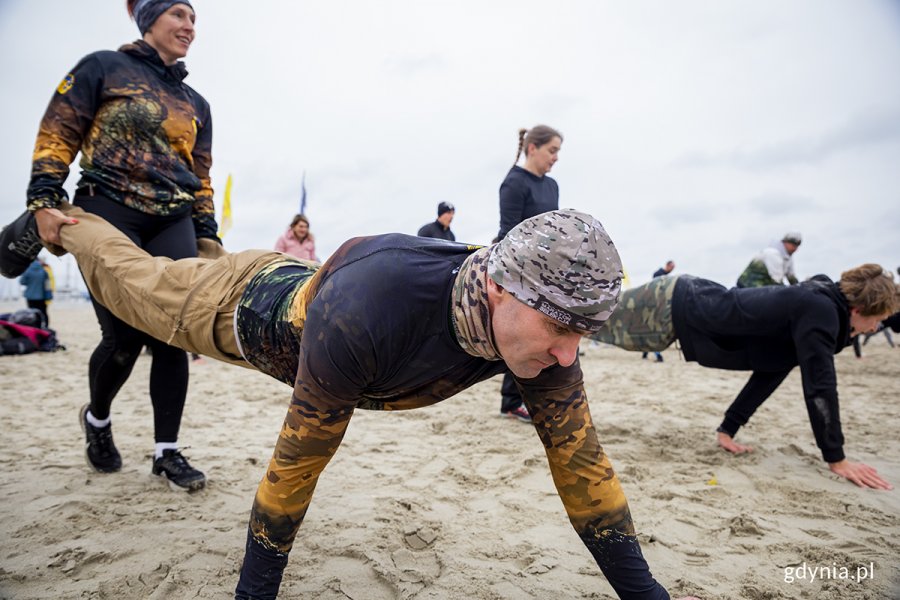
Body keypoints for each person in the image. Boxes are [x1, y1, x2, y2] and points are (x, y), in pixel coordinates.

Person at [0, 205, 700, 600]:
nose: (569, 355)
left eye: (584, 335)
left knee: (191, 258)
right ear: (496, 290)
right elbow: (293, 471)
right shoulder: (371, 313)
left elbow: (585, 471)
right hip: (235, 311)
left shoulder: (539, 327)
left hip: (311, 283)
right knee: (137, 282)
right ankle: (59, 224)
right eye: (561, 330)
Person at [21, 0, 218, 490]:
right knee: (124, 339)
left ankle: (166, 453)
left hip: (172, 219)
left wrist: (208, 232)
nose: (189, 26)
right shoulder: (104, 67)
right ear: (148, 18)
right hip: (108, 207)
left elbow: (201, 175)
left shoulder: (196, 103)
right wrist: (43, 199)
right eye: (178, 14)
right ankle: (98, 420)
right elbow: (58, 131)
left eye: (193, 18)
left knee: (175, 331)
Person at [591, 265, 898, 490]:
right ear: (857, 309)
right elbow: (821, 388)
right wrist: (837, 458)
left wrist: (728, 428)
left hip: (678, 311)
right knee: (583, 318)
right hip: (668, 306)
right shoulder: (821, 312)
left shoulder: (819, 306)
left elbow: (771, 371)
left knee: (582, 321)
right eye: (876, 321)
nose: (874, 329)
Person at [496, 125, 563, 422]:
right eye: (552, 150)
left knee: (549, 337)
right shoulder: (514, 182)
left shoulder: (552, 186)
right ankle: (511, 402)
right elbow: (509, 232)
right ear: (532, 148)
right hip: (517, 269)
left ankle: (536, 398)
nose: (556, 157)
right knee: (523, 339)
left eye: (559, 151)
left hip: (547, 270)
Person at [736, 232, 802, 288]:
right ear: (785, 242)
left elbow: (791, 277)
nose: (795, 249)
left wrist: (801, 289)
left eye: (797, 246)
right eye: (793, 245)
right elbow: (777, 281)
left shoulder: (788, 257)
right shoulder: (773, 253)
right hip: (747, 286)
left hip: (762, 286)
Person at [642, 261, 675, 362]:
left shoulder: (666, 276)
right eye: (672, 267)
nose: (672, 269)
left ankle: (645, 353)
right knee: (654, 330)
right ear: (668, 265)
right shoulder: (658, 274)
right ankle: (658, 355)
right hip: (655, 307)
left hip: (658, 306)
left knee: (650, 330)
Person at [19, 258, 51, 327]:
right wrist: (49, 296)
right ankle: (45, 326)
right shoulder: (43, 271)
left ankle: (34, 326)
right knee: (43, 313)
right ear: (38, 261)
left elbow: (22, 282)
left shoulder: (27, 270)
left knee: (31, 312)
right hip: (41, 296)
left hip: (30, 296)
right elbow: (47, 285)